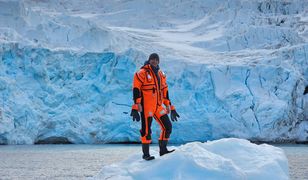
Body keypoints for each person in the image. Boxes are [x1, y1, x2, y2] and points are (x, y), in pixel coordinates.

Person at [130, 53, 180, 161]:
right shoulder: (141, 73)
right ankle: (146, 154)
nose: (154, 61)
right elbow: (136, 89)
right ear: (149, 60)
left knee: (168, 127)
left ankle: (163, 150)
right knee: (146, 131)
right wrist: (135, 106)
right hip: (146, 106)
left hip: (158, 106)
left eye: (156, 59)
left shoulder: (161, 74)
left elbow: (165, 91)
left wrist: (170, 106)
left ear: (159, 61)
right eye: (152, 59)